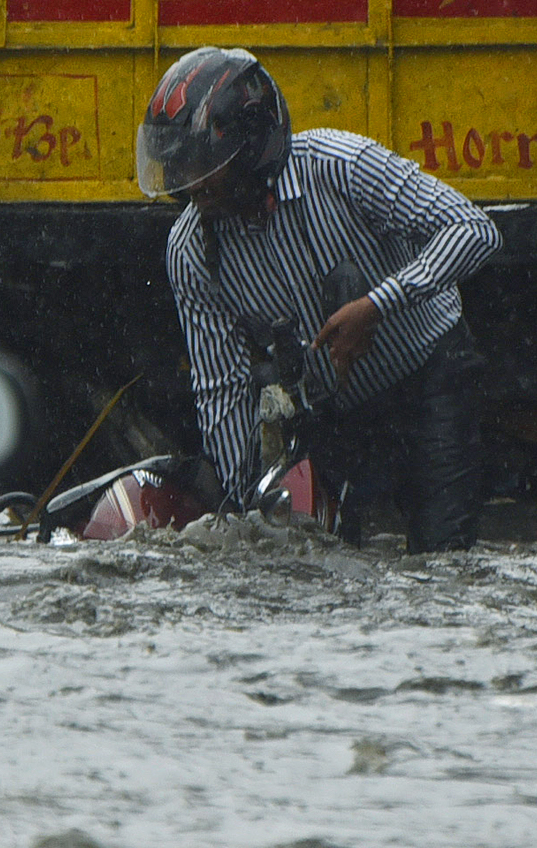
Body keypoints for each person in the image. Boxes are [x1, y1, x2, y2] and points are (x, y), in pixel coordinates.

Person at [136, 46, 503, 553]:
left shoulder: (341, 165)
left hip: (430, 380)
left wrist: (378, 305)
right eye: (178, 167)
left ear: (251, 144)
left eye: (201, 164)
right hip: (331, 417)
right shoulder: (190, 250)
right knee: (323, 566)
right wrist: (245, 510)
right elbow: (223, 389)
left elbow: (474, 230)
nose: (188, 183)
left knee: (443, 558)